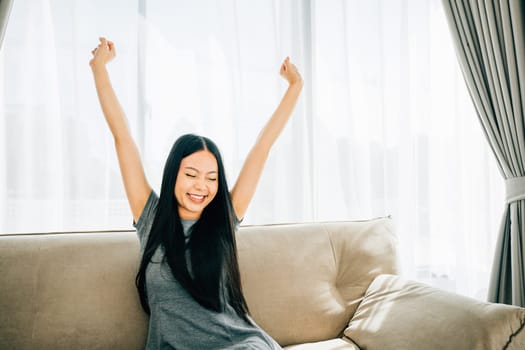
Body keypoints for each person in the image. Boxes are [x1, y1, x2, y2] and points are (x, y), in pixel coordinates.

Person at [90, 37, 303, 350]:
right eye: (191, 175)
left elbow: (261, 148)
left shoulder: (224, 219)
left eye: (211, 177)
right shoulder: (150, 219)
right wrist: (99, 69)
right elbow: (122, 137)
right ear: (173, 174)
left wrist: (294, 86)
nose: (201, 186)